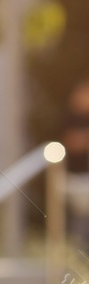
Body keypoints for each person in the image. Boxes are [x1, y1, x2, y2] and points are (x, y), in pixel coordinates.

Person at [62, 78, 89, 253]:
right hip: (77, 179)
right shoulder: (70, 118)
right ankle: (78, 257)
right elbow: (71, 141)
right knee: (81, 222)